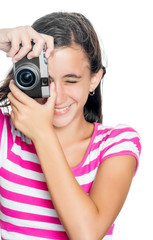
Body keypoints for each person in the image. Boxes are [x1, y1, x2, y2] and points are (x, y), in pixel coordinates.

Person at [0, 12, 141, 240]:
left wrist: (43, 135)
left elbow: (87, 234)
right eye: (46, 80)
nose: (57, 96)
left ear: (94, 79)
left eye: (71, 80)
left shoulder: (116, 144)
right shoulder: (6, 134)